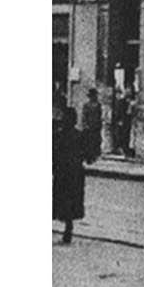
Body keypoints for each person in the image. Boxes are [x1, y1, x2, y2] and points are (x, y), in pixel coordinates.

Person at [53, 106, 86, 244]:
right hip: (76, 173)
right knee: (71, 201)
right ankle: (68, 227)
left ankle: (66, 228)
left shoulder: (59, 135)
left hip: (63, 172)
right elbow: (86, 154)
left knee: (61, 199)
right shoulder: (79, 135)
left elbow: (54, 153)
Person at [78, 88, 103, 164]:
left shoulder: (98, 105)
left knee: (94, 142)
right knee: (89, 143)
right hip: (90, 127)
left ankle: (93, 157)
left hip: (95, 127)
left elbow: (100, 116)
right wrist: (85, 125)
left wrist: (99, 124)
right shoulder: (87, 105)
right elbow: (84, 116)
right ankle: (89, 157)